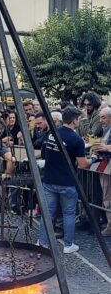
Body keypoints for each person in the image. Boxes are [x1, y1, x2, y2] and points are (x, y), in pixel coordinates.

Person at [38, 106, 96, 253]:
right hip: (67, 182)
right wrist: (94, 158)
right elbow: (83, 164)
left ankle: (41, 242)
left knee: (48, 213)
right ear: (74, 120)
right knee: (68, 214)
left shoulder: (52, 134)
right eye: (78, 119)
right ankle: (68, 245)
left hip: (49, 180)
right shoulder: (76, 139)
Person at [92, 106, 111, 236]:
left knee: (108, 196)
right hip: (106, 166)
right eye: (99, 117)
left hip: (108, 166)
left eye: (103, 117)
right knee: (106, 196)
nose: (100, 120)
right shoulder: (106, 130)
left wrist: (106, 147)